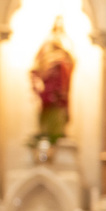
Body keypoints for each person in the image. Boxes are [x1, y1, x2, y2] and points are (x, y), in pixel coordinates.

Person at [30, 16, 75, 144]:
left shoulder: (65, 46)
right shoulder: (46, 45)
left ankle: (58, 133)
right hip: (48, 89)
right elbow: (37, 65)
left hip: (61, 91)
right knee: (47, 110)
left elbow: (71, 62)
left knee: (59, 112)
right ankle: (45, 133)